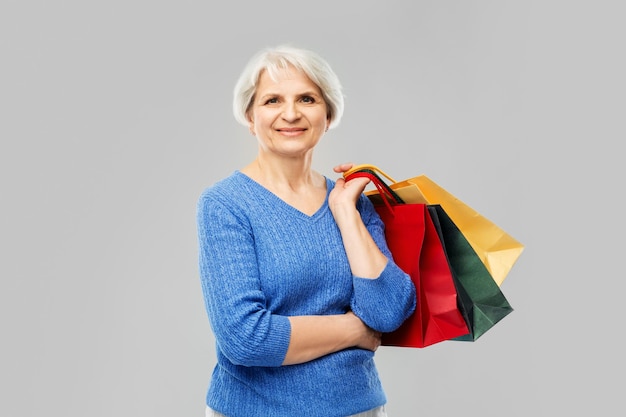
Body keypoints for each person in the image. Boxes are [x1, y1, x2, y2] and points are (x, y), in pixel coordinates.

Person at [196, 44, 416, 417]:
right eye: (272, 101)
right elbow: (245, 339)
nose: (291, 113)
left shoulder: (353, 201)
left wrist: (346, 213)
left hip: (357, 409)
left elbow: (388, 312)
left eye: (307, 98)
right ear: (250, 117)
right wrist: (354, 332)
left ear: (328, 114)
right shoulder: (225, 204)